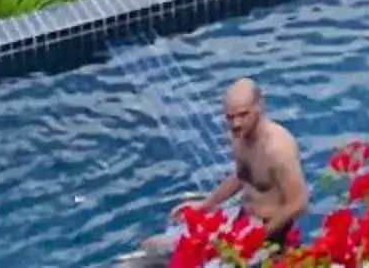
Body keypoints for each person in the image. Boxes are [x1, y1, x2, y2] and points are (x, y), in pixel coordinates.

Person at [122, 78, 308, 261]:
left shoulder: (277, 149)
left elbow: (298, 202)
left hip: (271, 234)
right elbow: (241, 176)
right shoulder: (239, 136)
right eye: (230, 117)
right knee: (152, 246)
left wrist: (257, 237)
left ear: (260, 106)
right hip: (242, 219)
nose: (236, 123)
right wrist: (205, 205)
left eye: (244, 115)